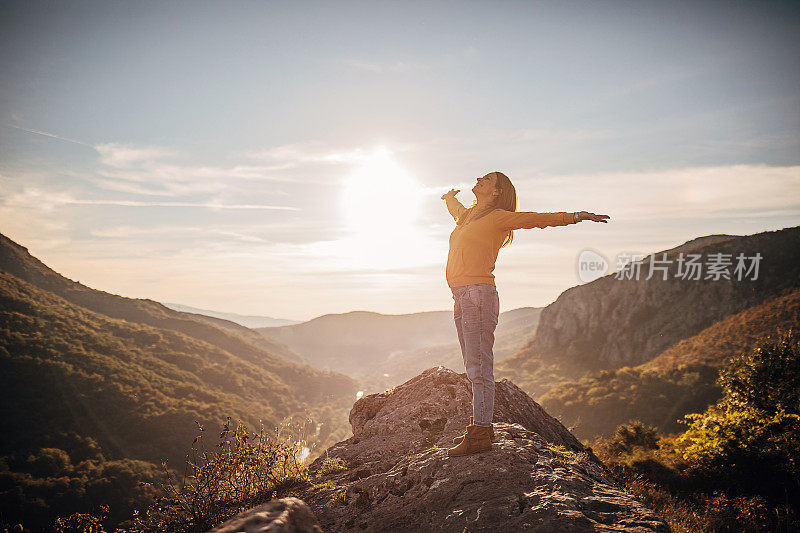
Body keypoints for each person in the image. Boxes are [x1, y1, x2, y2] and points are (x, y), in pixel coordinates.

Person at [442, 171, 610, 457]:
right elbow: (458, 214)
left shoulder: (498, 217)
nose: (479, 179)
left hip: (477, 296)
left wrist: (576, 216)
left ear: (496, 192)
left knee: (479, 367)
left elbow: (536, 219)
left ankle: (480, 433)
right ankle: (479, 429)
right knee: (473, 364)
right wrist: (449, 200)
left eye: (486, 179)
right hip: (461, 296)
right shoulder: (469, 216)